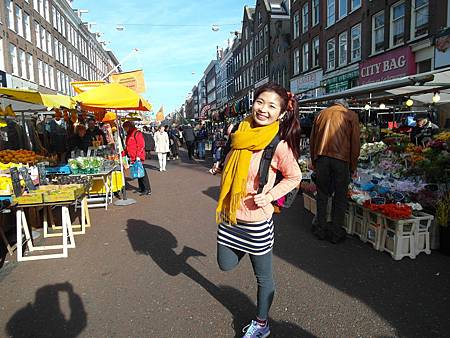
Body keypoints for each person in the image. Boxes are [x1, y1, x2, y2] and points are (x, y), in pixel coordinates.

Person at [214, 83, 301, 337]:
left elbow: (295, 176)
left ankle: (261, 324)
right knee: (225, 265)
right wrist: (221, 167)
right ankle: (245, 250)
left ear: (281, 113)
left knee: (263, 277)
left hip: (256, 222)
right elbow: (233, 159)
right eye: (260, 102)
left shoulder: (279, 146)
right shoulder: (239, 132)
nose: (263, 109)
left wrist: (271, 195)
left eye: (272, 106)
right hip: (230, 215)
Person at [309, 99, 360, 244]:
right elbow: (355, 143)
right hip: (341, 160)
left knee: (322, 194)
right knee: (340, 196)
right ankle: (336, 232)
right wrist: (353, 165)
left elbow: (313, 140)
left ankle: (321, 228)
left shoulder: (321, 114)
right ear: (344, 105)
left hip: (322, 158)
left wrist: (314, 160)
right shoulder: (350, 115)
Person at [123, 121, 151, 196]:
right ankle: (142, 188)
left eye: (126, 127)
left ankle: (147, 189)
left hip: (138, 156)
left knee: (142, 173)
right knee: (138, 172)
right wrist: (123, 153)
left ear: (129, 126)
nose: (125, 129)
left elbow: (141, 145)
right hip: (133, 157)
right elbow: (128, 147)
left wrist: (138, 156)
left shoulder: (137, 133)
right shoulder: (128, 135)